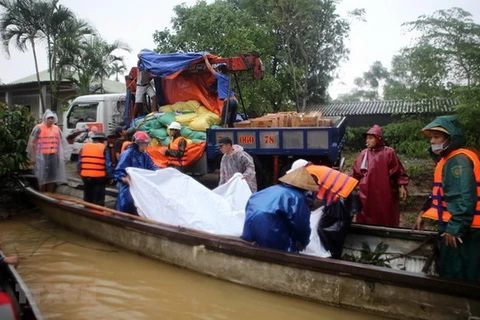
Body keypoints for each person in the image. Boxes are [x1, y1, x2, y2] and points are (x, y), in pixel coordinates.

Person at [413, 116, 480, 282]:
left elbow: (463, 195)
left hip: (465, 230)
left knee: (459, 274)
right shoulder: (447, 160)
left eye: (437, 137)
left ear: (450, 138)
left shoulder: (457, 161)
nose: (432, 141)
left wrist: (455, 226)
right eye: (431, 138)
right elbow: (439, 192)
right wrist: (423, 211)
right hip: (459, 225)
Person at [288, 159, 360, 258]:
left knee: (326, 227)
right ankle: (331, 253)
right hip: (348, 194)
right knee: (331, 224)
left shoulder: (309, 173)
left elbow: (310, 196)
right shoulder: (316, 169)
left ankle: (330, 254)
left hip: (344, 196)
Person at [241, 167, 319, 253]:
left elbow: (252, 202)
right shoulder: (298, 198)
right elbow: (301, 225)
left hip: (248, 233)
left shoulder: (271, 189)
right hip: (271, 236)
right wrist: (303, 242)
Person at [352, 125, 409, 227]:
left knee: (385, 215)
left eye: (370, 138)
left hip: (385, 192)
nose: (367, 140)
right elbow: (356, 173)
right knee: (365, 213)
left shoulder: (388, 152)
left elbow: (398, 171)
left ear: (378, 139)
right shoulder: (364, 153)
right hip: (366, 192)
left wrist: (402, 185)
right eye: (367, 138)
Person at [114, 131, 159, 215]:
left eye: (146, 144)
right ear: (136, 143)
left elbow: (151, 167)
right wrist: (125, 179)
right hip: (128, 189)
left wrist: (161, 172)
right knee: (126, 208)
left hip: (140, 188)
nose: (144, 146)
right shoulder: (127, 154)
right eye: (142, 144)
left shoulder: (144, 155)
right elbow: (118, 172)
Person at [27, 109, 68, 192]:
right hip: (42, 156)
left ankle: (50, 193)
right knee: (41, 175)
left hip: (53, 155)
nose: (50, 120)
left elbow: (62, 143)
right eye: (49, 118)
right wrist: (33, 157)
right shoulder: (38, 128)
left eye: (52, 118)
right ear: (45, 118)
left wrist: (62, 155)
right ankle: (42, 193)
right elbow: (32, 143)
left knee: (52, 176)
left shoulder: (56, 129)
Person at [78, 132, 113, 206]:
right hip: (99, 178)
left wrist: (80, 173)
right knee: (98, 200)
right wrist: (110, 177)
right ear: (102, 140)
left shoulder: (84, 147)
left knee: (87, 198)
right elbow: (108, 164)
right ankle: (97, 213)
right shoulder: (104, 148)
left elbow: (79, 163)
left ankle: (86, 211)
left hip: (86, 177)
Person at [203, 55, 238, 128]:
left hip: (228, 101)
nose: (217, 72)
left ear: (220, 71)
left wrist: (205, 59)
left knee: (225, 121)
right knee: (232, 122)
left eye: (218, 71)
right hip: (235, 101)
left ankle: (224, 134)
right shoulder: (228, 78)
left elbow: (210, 68)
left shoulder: (220, 77)